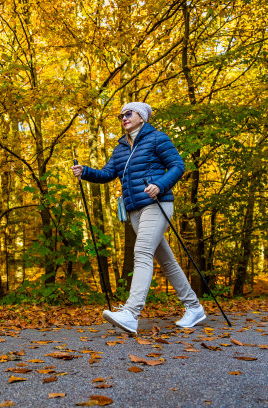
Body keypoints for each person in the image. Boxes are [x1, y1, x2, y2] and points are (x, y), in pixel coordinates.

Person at [71, 102, 205, 334]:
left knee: (142, 253)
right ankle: (194, 307)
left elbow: (177, 165)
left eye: (128, 113)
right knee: (167, 261)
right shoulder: (121, 147)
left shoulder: (156, 138)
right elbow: (108, 173)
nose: (124, 118)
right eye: (121, 115)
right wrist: (86, 172)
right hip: (134, 210)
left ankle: (131, 313)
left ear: (141, 117)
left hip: (156, 204)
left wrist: (159, 185)